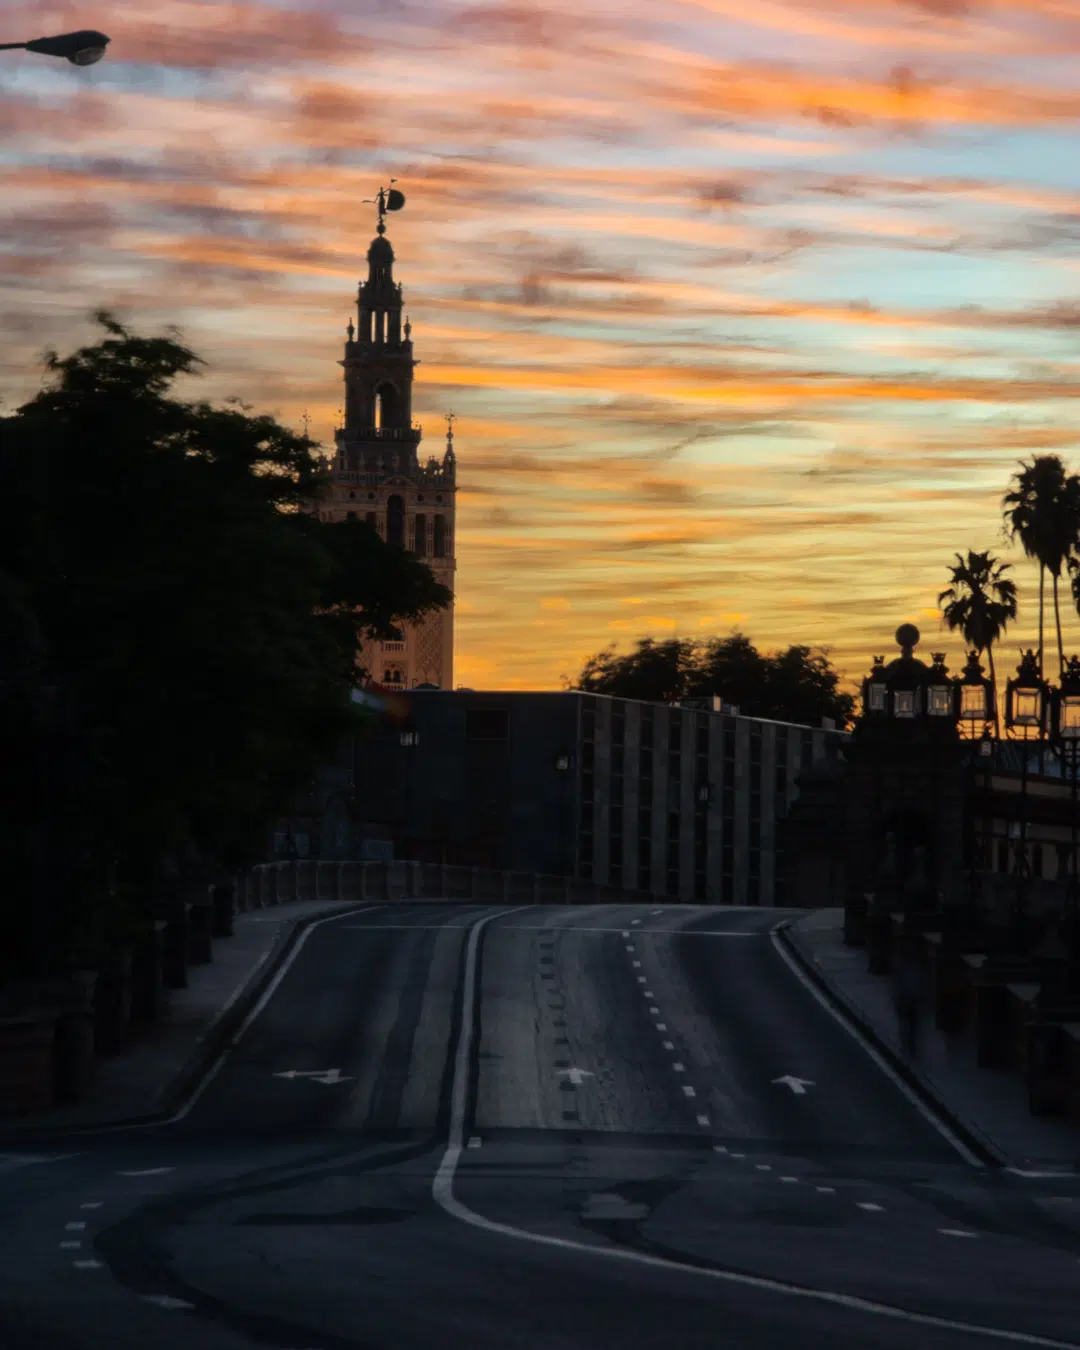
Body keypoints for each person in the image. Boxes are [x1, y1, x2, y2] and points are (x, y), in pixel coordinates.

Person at [892, 937, 923, 1060]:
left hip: (912, 999)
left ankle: (910, 1045)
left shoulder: (915, 967)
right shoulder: (903, 967)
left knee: (912, 1025)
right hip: (905, 999)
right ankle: (908, 1045)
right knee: (908, 1024)